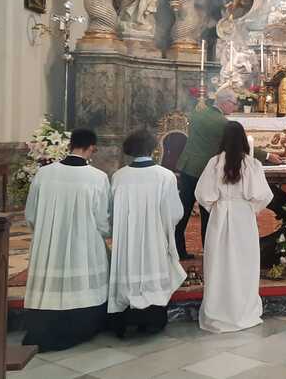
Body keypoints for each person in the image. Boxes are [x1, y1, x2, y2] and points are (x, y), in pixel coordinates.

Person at [23, 128, 112, 352]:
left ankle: (44, 327)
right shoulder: (98, 177)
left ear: (70, 144)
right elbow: (102, 220)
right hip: (84, 244)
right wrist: (103, 236)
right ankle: (81, 325)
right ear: (91, 148)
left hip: (49, 245)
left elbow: (31, 214)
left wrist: (46, 233)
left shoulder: (44, 174)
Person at [175, 87, 282, 260]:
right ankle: (209, 252)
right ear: (224, 102)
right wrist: (268, 156)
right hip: (205, 170)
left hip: (188, 167)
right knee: (208, 214)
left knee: (183, 211)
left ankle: (177, 250)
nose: (235, 106)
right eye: (233, 103)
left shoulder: (197, 114)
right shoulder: (222, 123)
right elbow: (241, 145)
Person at [195, 121, 274, 333]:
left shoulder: (213, 163)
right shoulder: (252, 164)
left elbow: (202, 194)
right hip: (244, 219)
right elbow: (264, 196)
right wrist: (249, 208)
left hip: (220, 217)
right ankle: (242, 311)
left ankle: (217, 311)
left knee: (218, 264)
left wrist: (217, 207)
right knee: (244, 264)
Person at [107, 129, 186, 338]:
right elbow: (175, 213)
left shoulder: (119, 176)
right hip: (155, 237)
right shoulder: (165, 176)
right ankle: (152, 318)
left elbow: (113, 212)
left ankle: (126, 316)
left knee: (129, 267)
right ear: (154, 148)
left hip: (127, 238)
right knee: (154, 266)